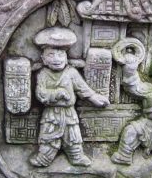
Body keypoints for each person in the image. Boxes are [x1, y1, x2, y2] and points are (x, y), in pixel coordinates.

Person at [30, 27, 110, 168]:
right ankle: (44, 158)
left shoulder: (71, 72)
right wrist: (58, 93)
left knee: (73, 136)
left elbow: (82, 89)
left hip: (69, 113)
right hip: (51, 114)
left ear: (66, 57)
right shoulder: (43, 74)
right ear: (43, 59)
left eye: (61, 55)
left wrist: (94, 97)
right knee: (48, 137)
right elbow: (41, 94)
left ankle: (76, 157)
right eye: (51, 55)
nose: (56, 59)